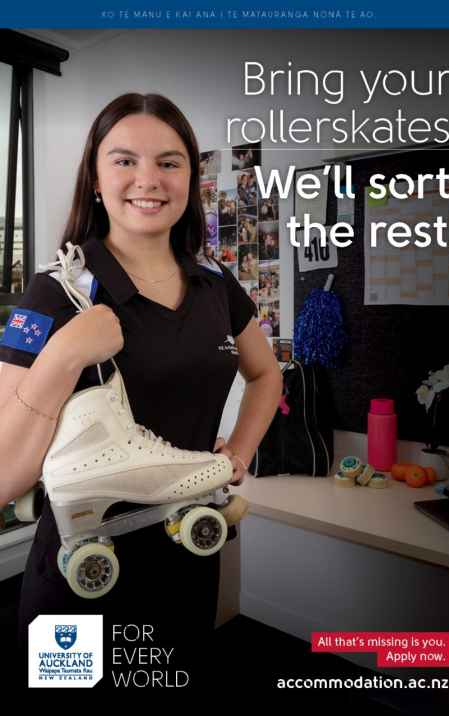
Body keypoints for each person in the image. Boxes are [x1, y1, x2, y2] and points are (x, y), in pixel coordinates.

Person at [0, 93, 282, 686]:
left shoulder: (215, 284)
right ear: (96, 179)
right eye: (125, 160)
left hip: (188, 551)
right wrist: (68, 351)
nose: (148, 180)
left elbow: (266, 374)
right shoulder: (56, 292)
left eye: (169, 162)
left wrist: (238, 453)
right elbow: (2, 474)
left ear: (190, 179)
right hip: (83, 567)